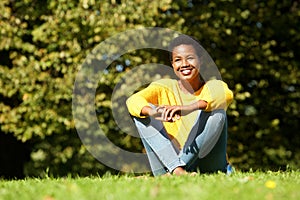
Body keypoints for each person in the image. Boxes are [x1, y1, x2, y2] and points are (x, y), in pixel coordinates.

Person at [126, 34, 234, 176]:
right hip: (168, 162)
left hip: (207, 163)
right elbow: (132, 101)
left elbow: (225, 95)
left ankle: (176, 169)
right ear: (172, 65)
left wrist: (186, 109)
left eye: (190, 58)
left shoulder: (212, 86)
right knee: (142, 113)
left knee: (218, 113)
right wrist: (152, 112)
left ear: (200, 60)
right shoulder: (163, 87)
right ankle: (177, 170)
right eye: (178, 60)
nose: (184, 64)